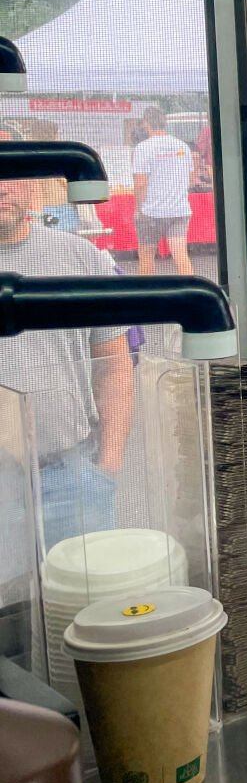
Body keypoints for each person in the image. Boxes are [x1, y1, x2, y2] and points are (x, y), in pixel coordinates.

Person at [0, 170, 134, 549]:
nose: (2, 187)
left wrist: (107, 466)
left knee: (85, 601)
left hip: (71, 478)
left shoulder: (79, 256)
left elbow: (114, 364)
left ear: (32, 185)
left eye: (9, 176)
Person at [131, 106, 195, 277]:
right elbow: (190, 177)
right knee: (181, 256)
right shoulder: (182, 145)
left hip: (152, 211)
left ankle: (149, 296)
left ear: (146, 123)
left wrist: (138, 208)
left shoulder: (143, 148)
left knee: (146, 255)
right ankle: (190, 295)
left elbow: (140, 183)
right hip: (179, 210)